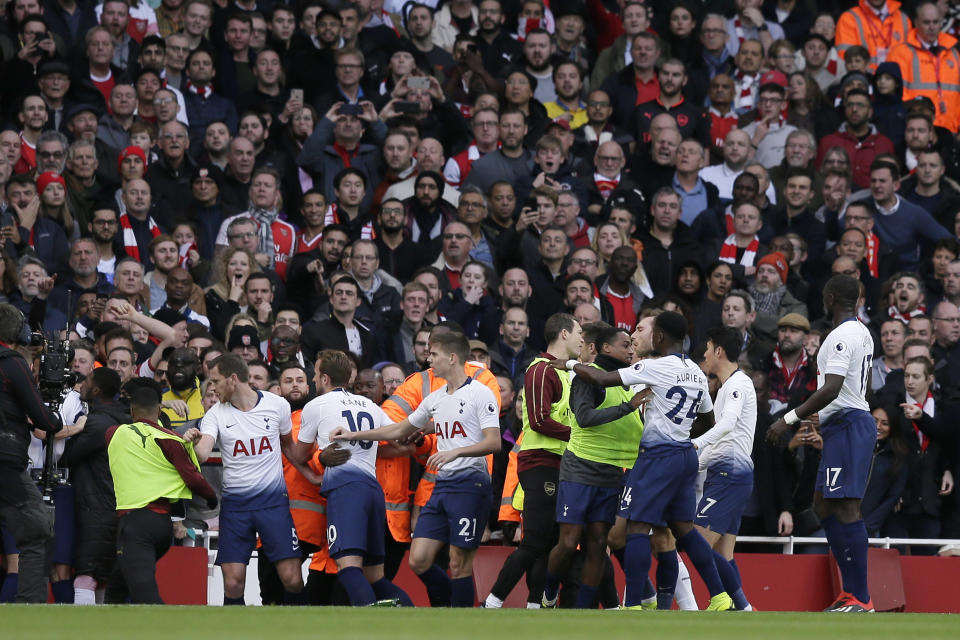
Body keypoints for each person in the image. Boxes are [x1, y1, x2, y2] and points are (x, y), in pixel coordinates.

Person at [559, 311, 733, 611]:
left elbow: (601, 377)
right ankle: (719, 596)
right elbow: (708, 420)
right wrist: (680, 428)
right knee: (684, 529)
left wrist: (570, 364)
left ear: (660, 337)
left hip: (657, 457)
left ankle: (636, 604)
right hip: (684, 455)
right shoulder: (695, 371)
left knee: (637, 528)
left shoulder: (654, 367)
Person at [331, 331, 501, 608]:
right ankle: (451, 606)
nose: (429, 359)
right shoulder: (436, 398)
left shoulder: (481, 393)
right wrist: (352, 434)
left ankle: (463, 623)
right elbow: (400, 428)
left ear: (452, 357)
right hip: (442, 486)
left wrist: (454, 452)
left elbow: (494, 442)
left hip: (471, 485)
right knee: (418, 560)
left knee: (459, 563)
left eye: (434, 354)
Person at [767, 275, 876, 612]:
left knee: (845, 507)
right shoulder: (862, 333)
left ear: (829, 297)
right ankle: (850, 593)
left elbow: (831, 387)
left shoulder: (842, 335)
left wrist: (788, 418)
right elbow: (858, 388)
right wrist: (827, 415)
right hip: (843, 423)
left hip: (850, 424)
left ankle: (861, 597)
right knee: (824, 504)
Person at [185, 354, 308, 605]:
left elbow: (290, 448)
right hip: (235, 507)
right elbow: (203, 452)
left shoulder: (277, 405)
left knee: (293, 579)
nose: (213, 388)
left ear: (233, 379)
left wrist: (314, 475)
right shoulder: (215, 415)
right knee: (232, 582)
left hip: (273, 504)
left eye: (216, 381)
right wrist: (192, 442)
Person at [294, 350, 412, 607]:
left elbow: (300, 453)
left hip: (346, 491)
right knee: (374, 577)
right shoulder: (370, 405)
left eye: (315, 376)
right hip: (373, 490)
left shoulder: (316, 406)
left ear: (325, 378)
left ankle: (366, 625)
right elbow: (401, 439)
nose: (314, 381)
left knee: (348, 568)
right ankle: (412, 617)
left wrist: (293, 449)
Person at [542, 325, 645, 609]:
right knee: (568, 541)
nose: (631, 350)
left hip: (612, 472)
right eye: (625, 345)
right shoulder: (588, 378)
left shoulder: (625, 381)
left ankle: (583, 611)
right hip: (580, 469)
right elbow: (585, 418)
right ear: (606, 348)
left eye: (632, 345)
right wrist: (629, 407)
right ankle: (549, 593)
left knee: (599, 543)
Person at [484, 313, 583, 609]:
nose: (582, 339)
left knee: (550, 543)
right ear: (563, 334)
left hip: (559, 463)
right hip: (541, 461)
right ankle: (492, 602)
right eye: (579, 332)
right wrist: (578, 436)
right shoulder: (540, 369)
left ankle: (534, 605)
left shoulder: (567, 373)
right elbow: (539, 421)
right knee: (535, 542)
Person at [104, 378, 215, 604]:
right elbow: (193, 477)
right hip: (163, 525)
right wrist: (212, 499)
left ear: (132, 411)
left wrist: (157, 405)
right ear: (158, 409)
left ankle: (167, 631)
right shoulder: (172, 439)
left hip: (136, 523)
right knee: (117, 587)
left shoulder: (114, 433)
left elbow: (119, 416)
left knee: (145, 592)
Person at [0, 304, 62, 603]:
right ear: (19, 332)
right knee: (37, 532)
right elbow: (43, 419)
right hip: (6, 463)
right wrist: (57, 420)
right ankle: (29, 605)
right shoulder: (11, 363)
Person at [693, 326, 758, 611]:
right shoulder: (728, 387)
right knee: (725, 553)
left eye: (707, 348)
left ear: (719, 350)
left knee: (696, 541)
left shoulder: (736, 385)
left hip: (729, 477)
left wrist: (693, 446)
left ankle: (733, 604)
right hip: (729, 474)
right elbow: (723, 441)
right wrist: (692, 464)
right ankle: (741, 609)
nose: (705, 354)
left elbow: (727, 425)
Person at [58, 368, 129, 605]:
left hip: (97, 509)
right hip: (111, 505)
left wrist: (73, 430)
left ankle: (84, 629)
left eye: (87, 381)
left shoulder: (98, 424)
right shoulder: (122, 418)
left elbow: (67, 456)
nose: (82, 385)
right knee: (102, 575)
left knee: (86, 575)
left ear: (97, 390)